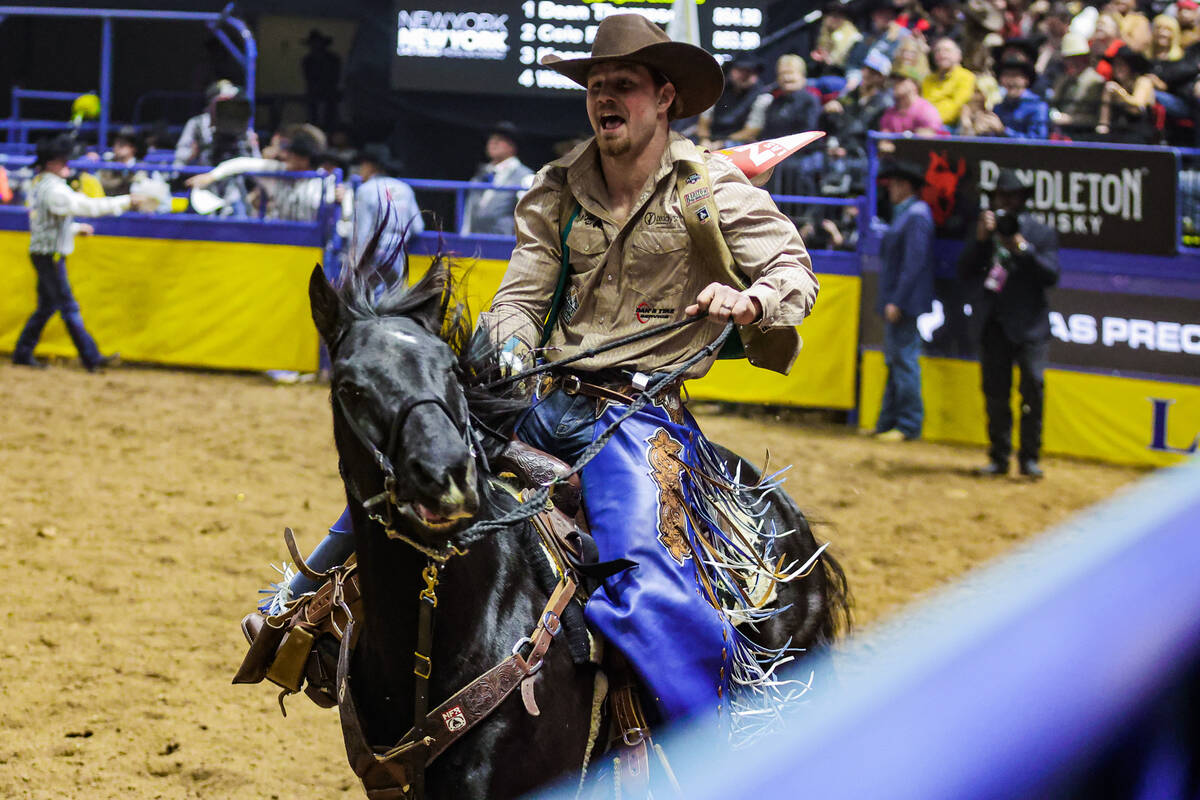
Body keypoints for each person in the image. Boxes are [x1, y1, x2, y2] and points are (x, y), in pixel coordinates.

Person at [257, 13, 820, 732]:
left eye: (624, 84)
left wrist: (750, 298)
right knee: (416, 468)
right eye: (595, 85)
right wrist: (510, 347)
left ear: (665, 96)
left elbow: (790, 267)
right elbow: (522, 294)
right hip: (545, 395)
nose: (604, 97)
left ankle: (698, 732)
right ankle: (297, 610)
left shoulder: (711, 188)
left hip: (638, 419)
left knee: (644, 577)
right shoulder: (555, 188)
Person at [13, 135, 152, 370]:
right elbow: (87, 206)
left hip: (46, 253)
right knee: (68, 308)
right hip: (50, 255)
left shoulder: (43, 186)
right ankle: (91, 357)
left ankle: (23, 352)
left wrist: (74, 229)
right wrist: (126, 201)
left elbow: (47, 221)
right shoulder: (55, 190)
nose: (67, 164)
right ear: (51, 163)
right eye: (62, 160)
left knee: (48, 307)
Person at [957, 169, 1058, 479]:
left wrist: (1021, 247)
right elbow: (964, 269)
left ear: (1022, 199)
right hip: (994, 324)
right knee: (995, 393)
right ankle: (999, 457)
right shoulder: (984, 231)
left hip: (1030, 327)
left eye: (1011, 196)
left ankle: (1029, 459)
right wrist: (981, 240)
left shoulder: (1040, 232)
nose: (1006, 201)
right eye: (1000, 195)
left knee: (1033, 390)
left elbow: (1051, 275)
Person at [871, 159, 934, 442]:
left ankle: (907, 424)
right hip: (902, 299)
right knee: (898, 359)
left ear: (906, 186)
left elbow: (914, 263)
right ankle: (889, 422)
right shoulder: (910, 213)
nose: (890, 191)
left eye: (894, 185)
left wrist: (897, 299)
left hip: (904, 300)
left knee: (904, 360)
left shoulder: (916, 215)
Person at [185, 128, 331, 221]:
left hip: (313, 243)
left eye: (291, 153)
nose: (284, 155)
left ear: (305, 158)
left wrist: (340, 197)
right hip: (283, 240)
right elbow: (240, 163)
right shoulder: (279, 170)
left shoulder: (324, 181)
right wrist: (211, 176)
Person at [350, 143, 424, 273]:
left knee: (371, 292)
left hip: (375, 255)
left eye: (362, 165)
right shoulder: (405, 189)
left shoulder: (365, 190)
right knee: (396, 292)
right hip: (399, 253)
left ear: (370, 166)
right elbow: (418, 227)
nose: (360, 170)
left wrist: (356, 263)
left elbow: (362, 232)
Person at [460, 121, 533, 236]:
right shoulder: (480, 175)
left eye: (500, 139)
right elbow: (468, 213)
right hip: (475, 244)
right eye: (491, 139)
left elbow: (529, 219)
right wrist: (464, 237)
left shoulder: (525, 177)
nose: (493, 142)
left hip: (504, 245)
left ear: (512, 146)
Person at [695, 56, 765, 147]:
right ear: (732, 70)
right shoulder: (718, 89)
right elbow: (704, 119)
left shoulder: (763, 97)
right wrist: (704, 140)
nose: (744, 75)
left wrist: (721, 143)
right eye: (740, 70)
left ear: (756, 75)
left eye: (749, 71)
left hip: (742, 145)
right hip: (713, 139)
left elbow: (751, 131)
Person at [1049, 32, 1106, 138]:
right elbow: (1053, 102)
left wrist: (1071, 119)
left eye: (1076, 57)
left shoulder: (1096, 81)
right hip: (1061, 132)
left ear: (1085, 58)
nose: (1071, 62)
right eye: (1068, 58)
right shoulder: (1064, 79)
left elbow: (1096, 118)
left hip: (1084, 134)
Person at [1095, 45, 1157, 142]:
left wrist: (1119, 92)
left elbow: (1137, 105)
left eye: (1121, 65)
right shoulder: (1112, 86)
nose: (1117, 68)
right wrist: (1103, 126)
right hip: (1118, 131)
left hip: (1140, 133)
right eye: (1115, 65)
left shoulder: (1143, 82)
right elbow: (1104, 119)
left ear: (1131, 66)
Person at [922, 37, 977, 126]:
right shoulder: (927, 79)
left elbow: (957, 107)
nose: (942, 54)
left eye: (947, 50)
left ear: (959, 55)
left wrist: (931, 121)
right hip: (925, 124)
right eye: (938, 51)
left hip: (949, 127)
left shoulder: (966, 77)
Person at [879, 63, 946, 134]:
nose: (895, 83)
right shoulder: (890, 112)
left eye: (901, 79)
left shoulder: (925, 110)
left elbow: (931, 138)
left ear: (915, 84)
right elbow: (884, 140)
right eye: (894, 79)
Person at [995, 59, 1050, 138]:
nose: (1010, 81)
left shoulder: (1037, 106)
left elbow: (1038, 141)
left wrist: (1004, 131)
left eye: (1014, 75)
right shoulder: (998, 108)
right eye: (1006, 75)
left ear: (1026, 80)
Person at [302, 29, 342, 131]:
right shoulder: (308, 61)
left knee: (330, 120)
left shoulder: (333, 59)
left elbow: (336, 77)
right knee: (313, 120)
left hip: (329, 95)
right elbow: (309, 78)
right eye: (313, 44)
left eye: (317, 43)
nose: (315, 46)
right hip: (314, 95)